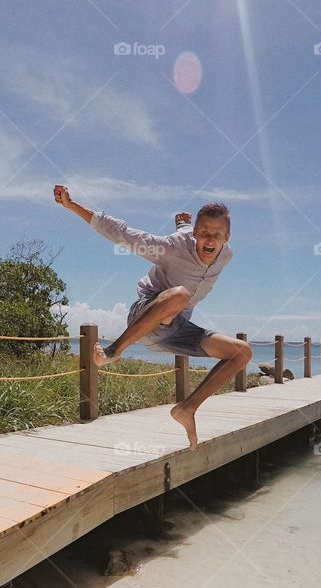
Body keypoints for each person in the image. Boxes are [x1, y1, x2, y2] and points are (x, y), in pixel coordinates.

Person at [53, 185, 252, 450]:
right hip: (145, 315)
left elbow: (186, 229)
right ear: (196, 234)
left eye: (217, 235)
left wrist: (182, 222)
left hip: (175, 329)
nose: (210, 240)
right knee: (179, 295)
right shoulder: (171, 248)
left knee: (242, 353)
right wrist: (72, 205)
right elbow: (122, 233)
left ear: (227, 237)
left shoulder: (225, 254)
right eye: (203, 233)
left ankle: (186, 409)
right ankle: (114, 350)